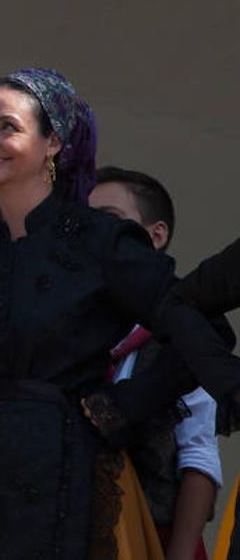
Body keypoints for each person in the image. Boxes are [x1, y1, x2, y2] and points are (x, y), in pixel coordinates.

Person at [0, 68, 238, 559]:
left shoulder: (100, 241)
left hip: (56, 475)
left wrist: (127, 404)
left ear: (52, 141)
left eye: (6, 127)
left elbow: (195, 321)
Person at [90, 167, 220, 560]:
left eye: (109, 220)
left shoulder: (182, 332)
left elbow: (198, 455)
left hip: (153, 537)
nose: (95, 235)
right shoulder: (68, 324)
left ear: (156, 235)